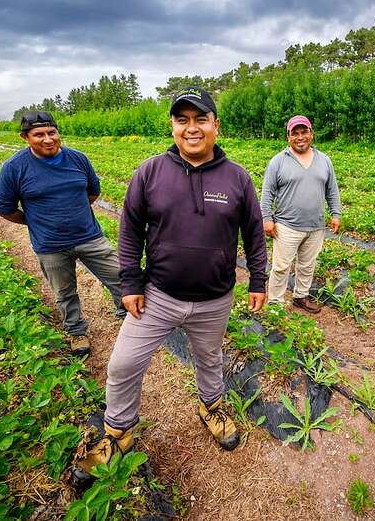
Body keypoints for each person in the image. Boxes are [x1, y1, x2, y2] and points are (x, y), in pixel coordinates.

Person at [73, 87, 267, 482]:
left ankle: (211, 406)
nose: (191, 128)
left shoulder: (237, 178)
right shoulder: (150, 172)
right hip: (158, 295)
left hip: (215, 298)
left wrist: (259, 279)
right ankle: (118, 432)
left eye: (200, 119)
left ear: (216, 125)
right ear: (173, 126)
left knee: (210, 358)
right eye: (182, 120)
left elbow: (253, 233)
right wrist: (130, 282)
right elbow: (129, 230)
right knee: (124, 363)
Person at [0, 110, 125, 357]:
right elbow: (4, 208)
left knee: (119, 276)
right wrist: (34, 221)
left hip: (89, 237)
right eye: (39, 134)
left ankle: (127, 316)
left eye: (52, 132)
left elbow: (93, 192)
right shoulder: (14, 167)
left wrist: (75, 212)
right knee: (64, 292)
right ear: (25, 137)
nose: (47, 139)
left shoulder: (77, 159)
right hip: (50, 245)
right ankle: (76, 332)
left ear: (58, 133)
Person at [261, 115, 341, 313]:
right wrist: (267, 218)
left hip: (316, 226)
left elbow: (332, 190)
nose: (300, 137)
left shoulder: (324, 160)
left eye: (304, 132)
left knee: (307, 265)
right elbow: (267, 192)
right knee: (281, 267)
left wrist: (336, 213)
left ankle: (300, 297)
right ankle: (275, 304)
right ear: (288, 137)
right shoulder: (278, 161)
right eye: (294, 133)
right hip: (287, 226)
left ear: (311, 134)